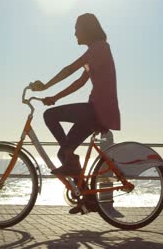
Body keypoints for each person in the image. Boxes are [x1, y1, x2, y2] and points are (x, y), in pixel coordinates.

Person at [30, 13, 120, 176]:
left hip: (98, 110)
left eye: (77, 29)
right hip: (94, 112)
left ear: (87, 30)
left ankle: (71, 160)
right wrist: (55, 97)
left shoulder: (100, 47)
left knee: (50, 115)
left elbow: (70, 69)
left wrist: (45, 87)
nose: (75, 33)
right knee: (62, 153)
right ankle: (89, 199)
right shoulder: (95, 51)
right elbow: (80, 82)